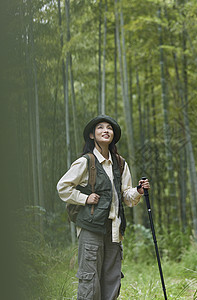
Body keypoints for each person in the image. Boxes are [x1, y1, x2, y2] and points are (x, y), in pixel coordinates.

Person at [57, 114, 150, 300]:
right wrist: (85, 198)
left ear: (113, 135)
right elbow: (63, 187)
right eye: (100, 127)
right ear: (92, 135)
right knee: (89, 280)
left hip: (114, 230)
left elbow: (126, 197)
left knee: (112, 279)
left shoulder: (120, 163)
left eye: (109, 128)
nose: (105, 130)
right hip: (91, 228)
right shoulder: (86, 162)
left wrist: (139, 191)